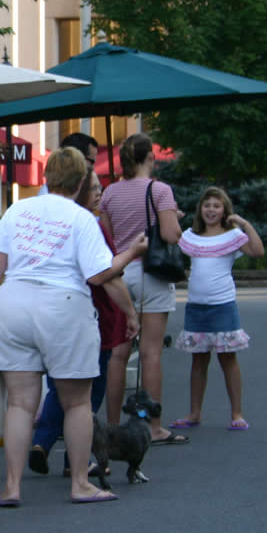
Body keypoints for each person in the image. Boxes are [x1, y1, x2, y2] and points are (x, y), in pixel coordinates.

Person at [0, 147, 147, 506]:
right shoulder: (82, 219)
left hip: (14, 303)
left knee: (20, 404)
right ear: (81, 181)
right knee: (76, 403)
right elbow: (101, 274)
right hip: (63, 307)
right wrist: (131, 258)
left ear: (46, 176)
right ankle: (81, 483)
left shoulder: (17, 209)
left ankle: (12, 487)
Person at [28, 169, 139, 476]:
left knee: (58, 386)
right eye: (93, 189)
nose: (99, 193)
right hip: (95, 314)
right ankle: (74, 461)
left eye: (100, 187)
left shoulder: (50, 225)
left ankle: (43, 441)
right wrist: (133, 254)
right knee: (89, 392)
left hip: (52, 313)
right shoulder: (90, 225)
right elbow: (107, 273)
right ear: (79, 192)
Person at [100, 133, 187, 444]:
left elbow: (107, 238)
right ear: (150, 157)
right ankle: (152, 426)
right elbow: (171, 235)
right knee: (150, 353)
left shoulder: (109, 192)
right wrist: (175, 219)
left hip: (120, 274)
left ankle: (111, 425)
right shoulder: (160, 190)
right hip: (152, 272)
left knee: (118, 354)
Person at [173, 187, 263, 430]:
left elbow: (257, 251)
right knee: (198, 361)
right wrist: (173, 220)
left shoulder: (232, 235)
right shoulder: (191, 235)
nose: (211, 210)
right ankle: (194, 413)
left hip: (222, 306)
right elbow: (171, 241)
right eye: (207, 205)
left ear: (225, 210)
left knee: (228, 359)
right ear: (200, 209)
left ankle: (237, 413)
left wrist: (245, 224)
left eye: (216, 205)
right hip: (196, 307)